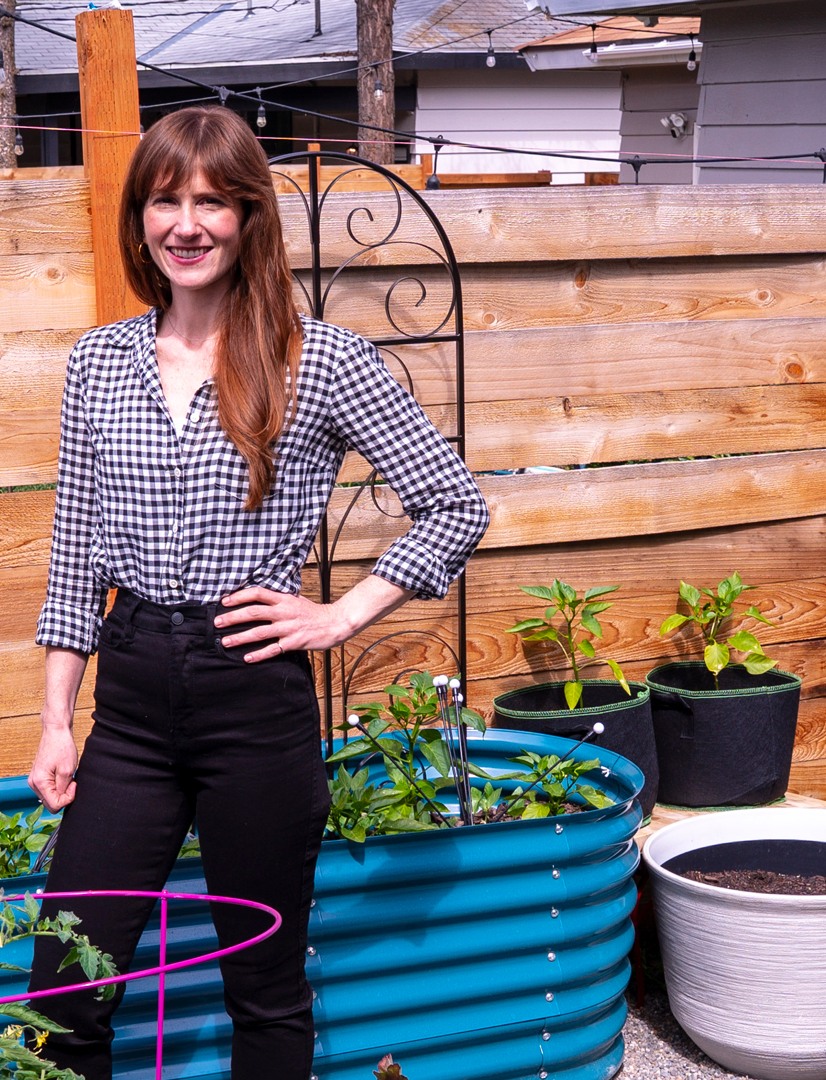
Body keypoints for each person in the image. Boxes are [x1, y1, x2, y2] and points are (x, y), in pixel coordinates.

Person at [26, 105, 489, 1080]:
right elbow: (76, 553)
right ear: (141, 216)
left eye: (210, 201)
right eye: (165, 199)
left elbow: (453, 506)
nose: (185, 223)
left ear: (248, 218)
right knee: (67, 985)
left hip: (256, 697)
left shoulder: (318, 360)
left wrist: (341, 614)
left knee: (265, 989)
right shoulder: (98, 363)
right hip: (137, 699)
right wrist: (56, 719)